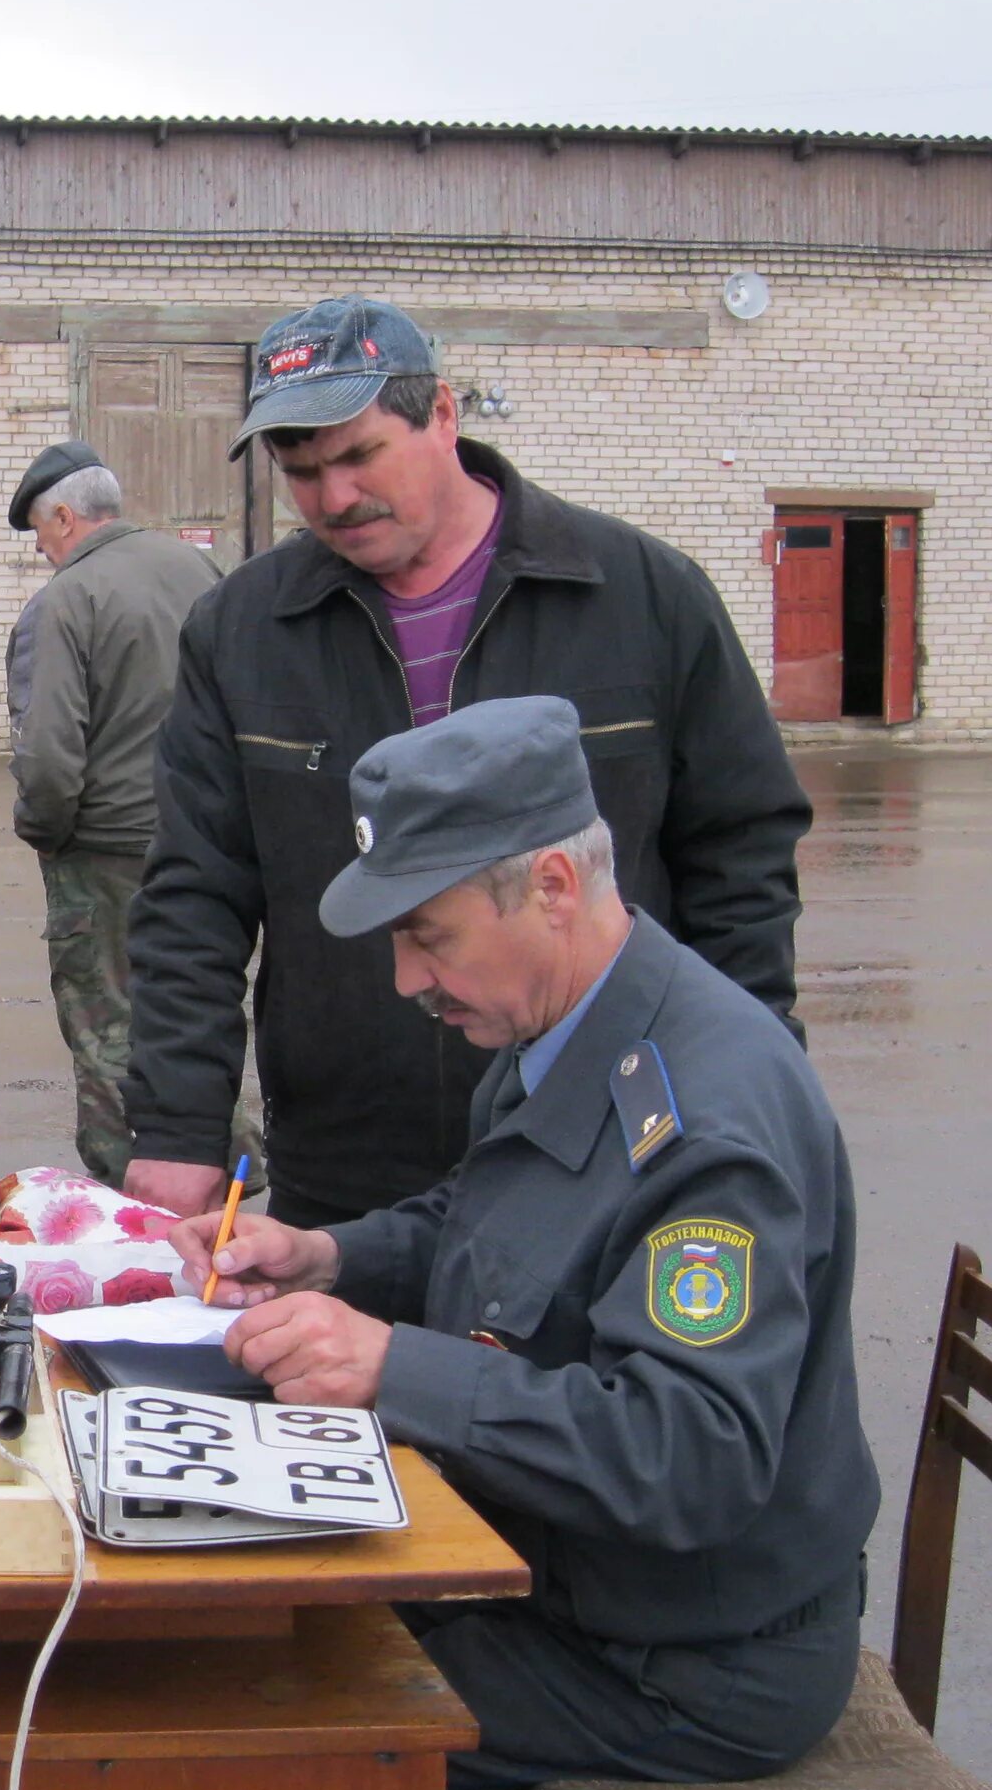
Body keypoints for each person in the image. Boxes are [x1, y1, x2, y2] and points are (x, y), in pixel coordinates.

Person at [175, 697, 877, 1790]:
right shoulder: (580, 1026)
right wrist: (328, 1253)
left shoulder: (709, 1117)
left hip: (688, 1646)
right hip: (577, 1580)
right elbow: (483, 1219)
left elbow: (690, 1459)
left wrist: (397, 1368)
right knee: (253, 1643)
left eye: (427, 934)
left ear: (549, 884)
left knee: (290, 1735)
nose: (404, 978)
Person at [120, 294, 812, 1231]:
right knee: (339, 1372)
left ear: (443, 416)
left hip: (605, 1127)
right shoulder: (242, 632)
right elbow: (193, 895)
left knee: (583, 1381)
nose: (333, 498)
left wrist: (749, 1076)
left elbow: (742, 862)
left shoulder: (642, 599)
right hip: (351, 1150)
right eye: (301, 469)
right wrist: (176, 1125)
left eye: (361, 455)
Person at [2, 442, 220, 1181]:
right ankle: (219, 1165)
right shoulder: (198, 572)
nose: (40, 549)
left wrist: (45, 831)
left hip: (105, 852)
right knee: (194, 1006)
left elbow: (50, 753)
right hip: (203, 838)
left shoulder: (67, 598)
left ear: (65, 516)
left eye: (39, 531)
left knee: (105, 1023)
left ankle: (127, 1189)